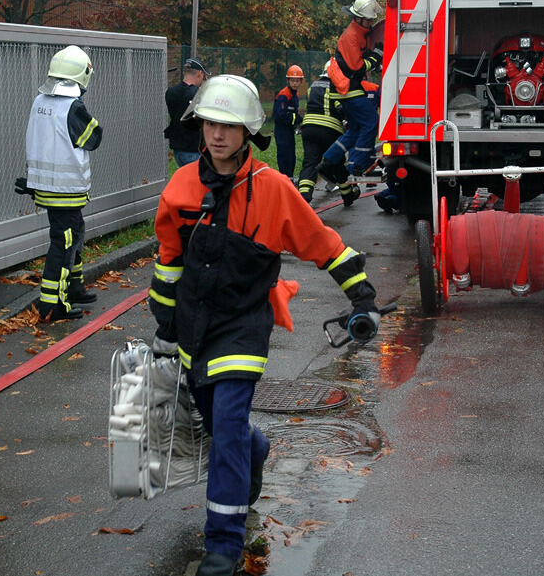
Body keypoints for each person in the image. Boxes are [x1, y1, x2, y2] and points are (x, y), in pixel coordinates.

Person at [148, 74, 381, 576]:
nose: (217, 135)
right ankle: (256, 449)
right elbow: (169, 262)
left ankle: (224, 545)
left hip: (243, 325)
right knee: (220, 426)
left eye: (229, 126)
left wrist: (363, 295)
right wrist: (165, 324)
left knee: (226, 425)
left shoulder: (273, 190)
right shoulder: (181, 188)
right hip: (194, 326)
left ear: (249, 133)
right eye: (210, 123)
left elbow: (324, 244)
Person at [24, 45, 103, 321]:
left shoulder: (39, 102)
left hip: (45, 187)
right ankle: (53, 305)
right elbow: (94, 138)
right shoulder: (74, 107)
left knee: (75, 232)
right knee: (64, 242)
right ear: (82, 77)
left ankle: (74, 286)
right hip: (65, 191)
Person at [317, 0, 384, 184]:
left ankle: (329, 162)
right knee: (371, 122)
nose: (371, 23)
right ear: (358, 18)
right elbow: (357, 67)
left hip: (348, 88)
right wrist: (376, 57)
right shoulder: (352, 35)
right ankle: (357, 166)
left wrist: (373, 55)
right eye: (369, 20)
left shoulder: (359, 33)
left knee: (355, 129)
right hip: (350, 89)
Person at [296, 61, 358, 206]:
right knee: (336, 162)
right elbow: (340, 107)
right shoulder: (336, 87)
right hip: (329, 130)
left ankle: (303, 195)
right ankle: (348, 195)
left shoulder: (313, 85)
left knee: (310, 162)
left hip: (309, 128)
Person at [165, 57, 210, 166]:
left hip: (178, 149)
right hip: (194, 150)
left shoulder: (170, 92)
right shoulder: (199, 95)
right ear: (199, 74)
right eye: (204, 76)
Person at [272, 65, 304, 178]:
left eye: (297, 81)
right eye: (292, 80)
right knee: (284, 155)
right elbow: (281, 116)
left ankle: (289, 178)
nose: (294, 83)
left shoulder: (295, 95)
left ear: (301, 81)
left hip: (289, 130)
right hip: (281, 131)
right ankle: (285, 179)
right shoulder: (284, 95)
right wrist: (297, 118)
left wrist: (296, 122)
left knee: (291, 155)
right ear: (288, 80)